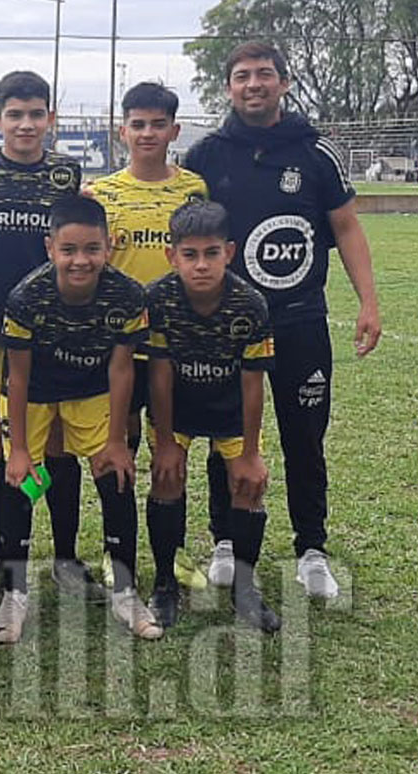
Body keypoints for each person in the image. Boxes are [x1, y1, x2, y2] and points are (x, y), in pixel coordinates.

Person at [184, 41, 381, 599]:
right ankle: (225, 540)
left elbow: (346, 227)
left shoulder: (316, 152)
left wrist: (368, 301)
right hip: (225, 325)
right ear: (228, 88)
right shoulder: (206, 156)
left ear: (284, 83)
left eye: (264, 74)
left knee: (304, 436)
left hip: (300, 320)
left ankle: (311, 549)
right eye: (242, 76)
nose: (254, 84)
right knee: (225, 435)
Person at [0, 71, 96, 601]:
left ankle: (64, 555)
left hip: (52, 328)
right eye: (15, 115)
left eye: (36, 114)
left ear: (51, 118)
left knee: (55, 442)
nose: (26, 124)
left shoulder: (65, 173)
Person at [0, 195, 161, 644]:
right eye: (68, 250)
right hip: (36, 392)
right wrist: (20, 450)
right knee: (23, 481)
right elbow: (17, 376)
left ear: (109, 246)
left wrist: (116, 441)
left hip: (91, 389)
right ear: (50, 248)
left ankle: (126, 591)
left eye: (92, 248)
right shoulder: (26, 297)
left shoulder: (128, 295)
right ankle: (14, 593)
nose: (80, 260)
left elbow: (122, 369)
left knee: (115, 474)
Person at [89, 81, 210, 592]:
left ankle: (171, 556)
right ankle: (116, 554)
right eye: (137, 124)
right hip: (117, 348)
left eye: (158, 124)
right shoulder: (100, 194)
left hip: (175, 347)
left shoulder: (194, 190)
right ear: (122, 131)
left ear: (174, 131)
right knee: (116, 450)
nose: (147, 133)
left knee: (171, 454)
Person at [146, 202, 280, 633]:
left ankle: (245, 589)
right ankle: (165, 583)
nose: (201, 265)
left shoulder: (250, 304)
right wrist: (166, 442)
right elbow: (159, 377)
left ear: (230, 252)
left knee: (248, 484)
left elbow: (252, 384)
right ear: (172, 256)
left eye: (211, 253)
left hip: (230, 409)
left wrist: (250, 451)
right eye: (190, 254)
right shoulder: (158, 299)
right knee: (166, 476)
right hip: (177, 409)